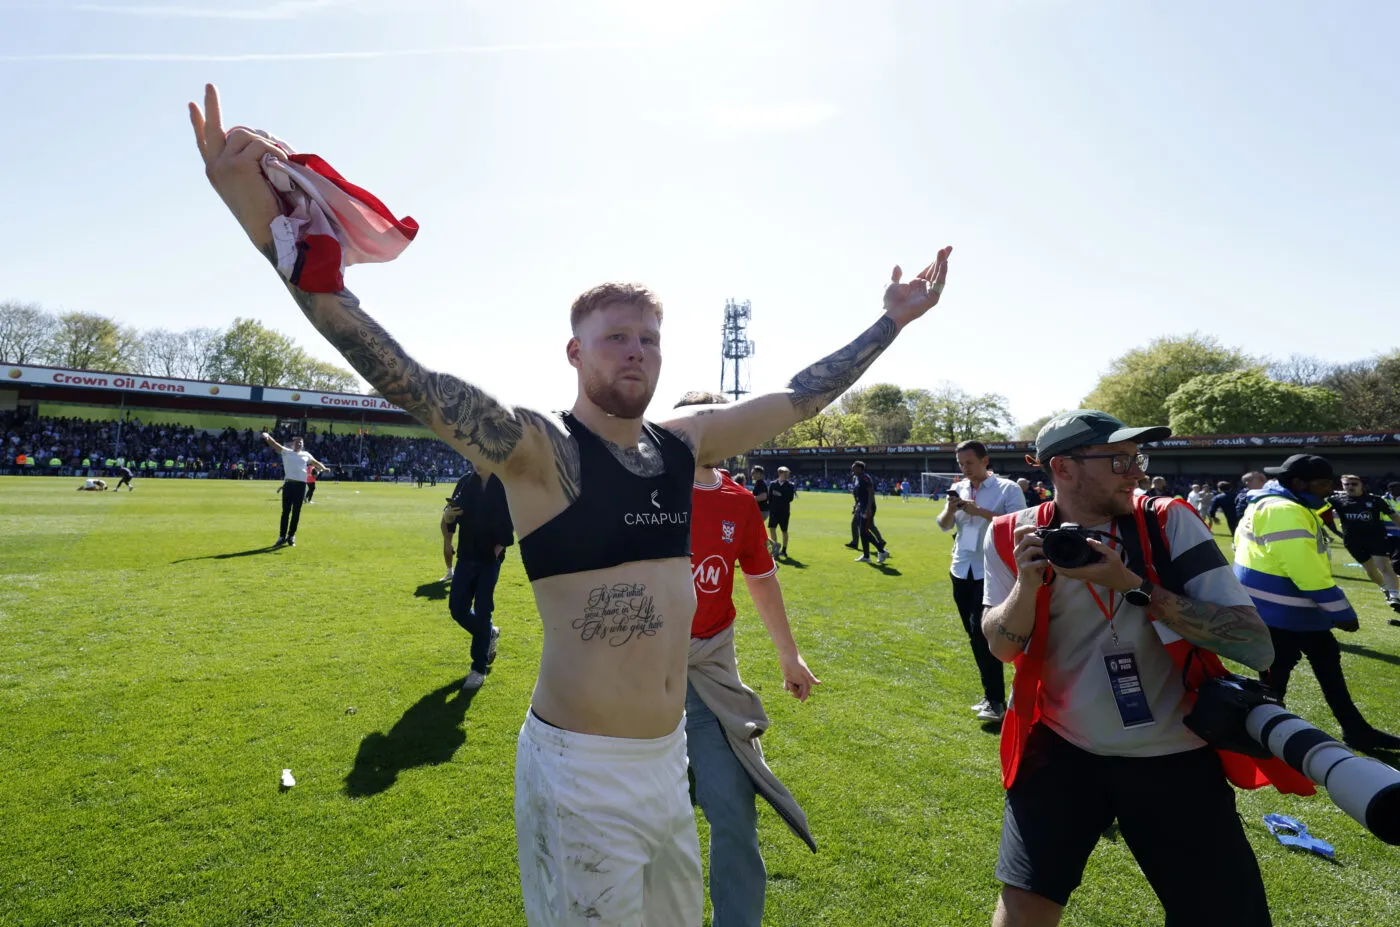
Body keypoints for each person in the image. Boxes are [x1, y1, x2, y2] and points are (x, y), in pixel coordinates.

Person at [191, 80, 950, 927]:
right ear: (573, 351)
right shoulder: (537, 450)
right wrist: (271, 235)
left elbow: (801, 396)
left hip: (666, 760)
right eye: (616, 337)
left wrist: (890, 324)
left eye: (650, 339)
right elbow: (406, 376)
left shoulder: (683, 442)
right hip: (581, 770)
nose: (636, 353)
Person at [981, 410, 1289, 927]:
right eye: (1120, 459)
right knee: (1023, 913)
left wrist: (1132, 586)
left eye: (1137, 458)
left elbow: (1256, 646)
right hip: (1059, 750)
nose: (1138, 472)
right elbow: (1002, 648)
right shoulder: (1012, 533)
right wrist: (1026, 587)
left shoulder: (1167, 521)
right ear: (1064, 467)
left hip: (1174, 755)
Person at [678, 391, 820, 926]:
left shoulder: (738, 502)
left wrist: (790, 656)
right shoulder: (641, 490)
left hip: (709, 679)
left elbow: (760, 578)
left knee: (734, 812)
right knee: (638, 816)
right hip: (637, 681)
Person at [1233, 455, 1400, 753]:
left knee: (1310, 666)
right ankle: (1258, 732)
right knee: (1277, 678)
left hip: (1283, 609)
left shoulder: (1274, 503)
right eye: (1323, 484)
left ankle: (1354, 730)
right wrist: (1341, 613)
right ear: (1298, 483)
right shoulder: (1283, 510)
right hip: (1283, 611)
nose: (1329, 490)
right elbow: (1305, 569)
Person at [937, 441, 1026, 722]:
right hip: (961, 568)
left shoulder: (1006, 489)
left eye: (970, 463)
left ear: (985, 461)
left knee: (983, 632)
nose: (965, 469)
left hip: (992, 569)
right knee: (974, 635)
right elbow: (943, 525)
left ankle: (998, 700)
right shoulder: (959, 488)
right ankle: (993, 696)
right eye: (961, 464)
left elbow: (1019, 525)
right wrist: (952, 510)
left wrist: (982, 512)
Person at [442, 464, 515, 690]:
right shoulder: (465, 482)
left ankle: (478, 668)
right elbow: (449, 524)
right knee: (457, 608)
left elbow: (514, 517)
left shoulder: (504, 484)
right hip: (466, 555)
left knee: (484, 609)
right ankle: (489, 634)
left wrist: (498, 548)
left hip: (489, 558)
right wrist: (447, 517)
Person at [1326, 475, 1400, 612]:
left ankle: (1395, 596)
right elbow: (1317, 513)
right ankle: (1385, 588)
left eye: (1354, 484)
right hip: (1353, 541)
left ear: (1362, 486)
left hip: (1376, 538)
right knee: (1370, 570)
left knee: (1384, 565)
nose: (1350, 487)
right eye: (1346, 484)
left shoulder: (1375, 500)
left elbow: (1394, 516)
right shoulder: (1335, 500)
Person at [262, 432, 328, 547]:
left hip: (301, 486)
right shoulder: (286, 452)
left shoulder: (306, 454)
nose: (299, 444)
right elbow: (274, 444)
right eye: (297, 442)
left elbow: (315, 462)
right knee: (285, 512)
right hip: (289, 485)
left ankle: (291, 536)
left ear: (302, 444)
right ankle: (282, 536)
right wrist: (267, 436)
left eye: (301, 442)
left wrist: (324, 468)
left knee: (296, 512)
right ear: (293, 444)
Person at [846, 460, 888, 563]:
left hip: (868, 507)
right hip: (862, 507)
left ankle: (881, 550)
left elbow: (870, 493)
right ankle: (867, 556)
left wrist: (868, 508)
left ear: (860, 468)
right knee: (863, 532)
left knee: (864, 531)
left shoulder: (865, 478)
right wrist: (856, 505)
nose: (852, 469)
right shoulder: (857, 478)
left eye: (854, 468)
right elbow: (857, 494)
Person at [767, 465, 796, 558]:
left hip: (784, 511)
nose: (787, 475)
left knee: (784, 531)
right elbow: (769, 498)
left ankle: (784, 550)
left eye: (788, 474)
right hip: (774, 511)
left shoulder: (790, 485)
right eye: (785, 473)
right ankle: (775, 548)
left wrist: (780, 494)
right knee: (772, 529)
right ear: (780, 473)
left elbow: (790, 498)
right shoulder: (773, 484)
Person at [749, 464, 770, 529]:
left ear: (759, 473)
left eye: (754, 472)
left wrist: (750, 498)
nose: (752, 474)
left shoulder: (761, 483)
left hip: (762, 511)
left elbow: (763, 496)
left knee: (754, 527)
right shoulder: (758, 482)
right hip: (760, 510)